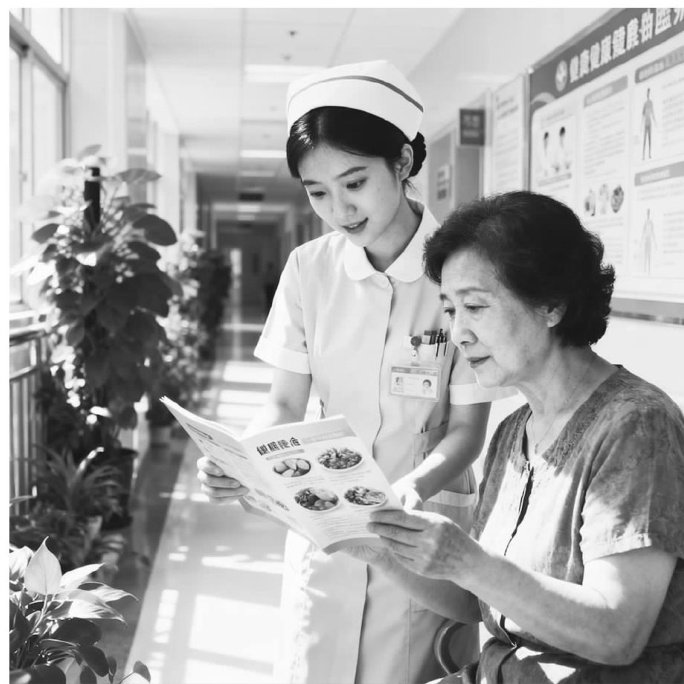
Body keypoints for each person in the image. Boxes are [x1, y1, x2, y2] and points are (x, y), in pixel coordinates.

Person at [196, 60, 511, 684]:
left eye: (355, 182)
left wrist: (409, 491)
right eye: (317, 193)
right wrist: (243, 457)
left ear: (402, 160)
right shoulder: (308, 270)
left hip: (420, 526)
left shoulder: (463, 270)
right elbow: (284, 403)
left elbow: (467, 431)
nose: (339, 209)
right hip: (327, 523)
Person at [360, 191, 684, 683]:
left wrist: (468, 560)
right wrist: (372, 548)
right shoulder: (514, 431)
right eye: (450, 310)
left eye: (475, 306)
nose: (459, 333)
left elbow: (617, 634)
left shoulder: (637, 425)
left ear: (551, 304)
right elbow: (476, 602)